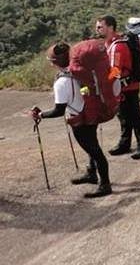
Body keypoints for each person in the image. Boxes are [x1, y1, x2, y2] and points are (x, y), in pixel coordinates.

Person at [29, 42, 112, 198]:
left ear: (54, 63)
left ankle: (105, 185)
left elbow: (58, 111)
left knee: (94, 151)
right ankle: (92, 173)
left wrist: (40, 115)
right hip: (90, 112)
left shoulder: (62, 82)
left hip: (79, 120)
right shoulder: (81, 71)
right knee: (93, 147)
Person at [96, 15, 140, 160]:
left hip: (128, 87)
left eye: (100, 26)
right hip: (122, 87)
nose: (97, 29)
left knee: (135, 116)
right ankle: (125, 144)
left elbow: (115, 70)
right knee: (124, 116)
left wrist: (104, 85)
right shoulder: (109, 44)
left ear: (110, 27)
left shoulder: (117, 46)